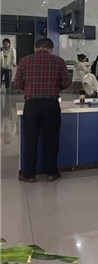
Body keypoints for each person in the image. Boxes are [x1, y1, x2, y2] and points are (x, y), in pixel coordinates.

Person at [14, 38, 70, 182]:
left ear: (35, 48)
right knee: (51, 139)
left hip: (31, 104)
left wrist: (30, 88)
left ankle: (29, 175)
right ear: (51, 49)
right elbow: (65, 83)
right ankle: (52, 173)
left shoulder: (24, 61)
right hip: (51, 104)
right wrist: (54, 87)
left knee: (30, 140)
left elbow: (18, 83)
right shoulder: (59, 61)